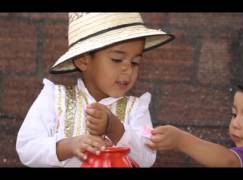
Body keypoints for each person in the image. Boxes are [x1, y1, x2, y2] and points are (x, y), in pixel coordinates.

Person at [16, 13, 174, 167]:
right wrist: (69, 146)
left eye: (135, 62)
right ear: (83, 61)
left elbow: (147, 159)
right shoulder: (54, 98)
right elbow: (26, 148)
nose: (128, 69)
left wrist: (116, 129)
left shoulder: (136, 108)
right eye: (117, 59)